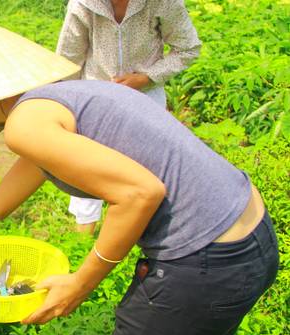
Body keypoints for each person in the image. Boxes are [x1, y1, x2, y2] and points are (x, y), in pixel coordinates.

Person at [0, 13, 278, 335]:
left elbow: (140, 193)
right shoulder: (65, 102)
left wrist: (81, 283)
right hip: (250, 238)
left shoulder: (27, 123)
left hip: (205, 257)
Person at [57, 0, 202, 234]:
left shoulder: (163, 3)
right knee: (88, 166)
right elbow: (67, 60)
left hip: (146, 99)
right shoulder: (84, 4)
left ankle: (140, 236)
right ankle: (82, 240)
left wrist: (146, 78)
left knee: (145, 170)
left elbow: (188, 48)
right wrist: (68, 102)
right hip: (95, 98)